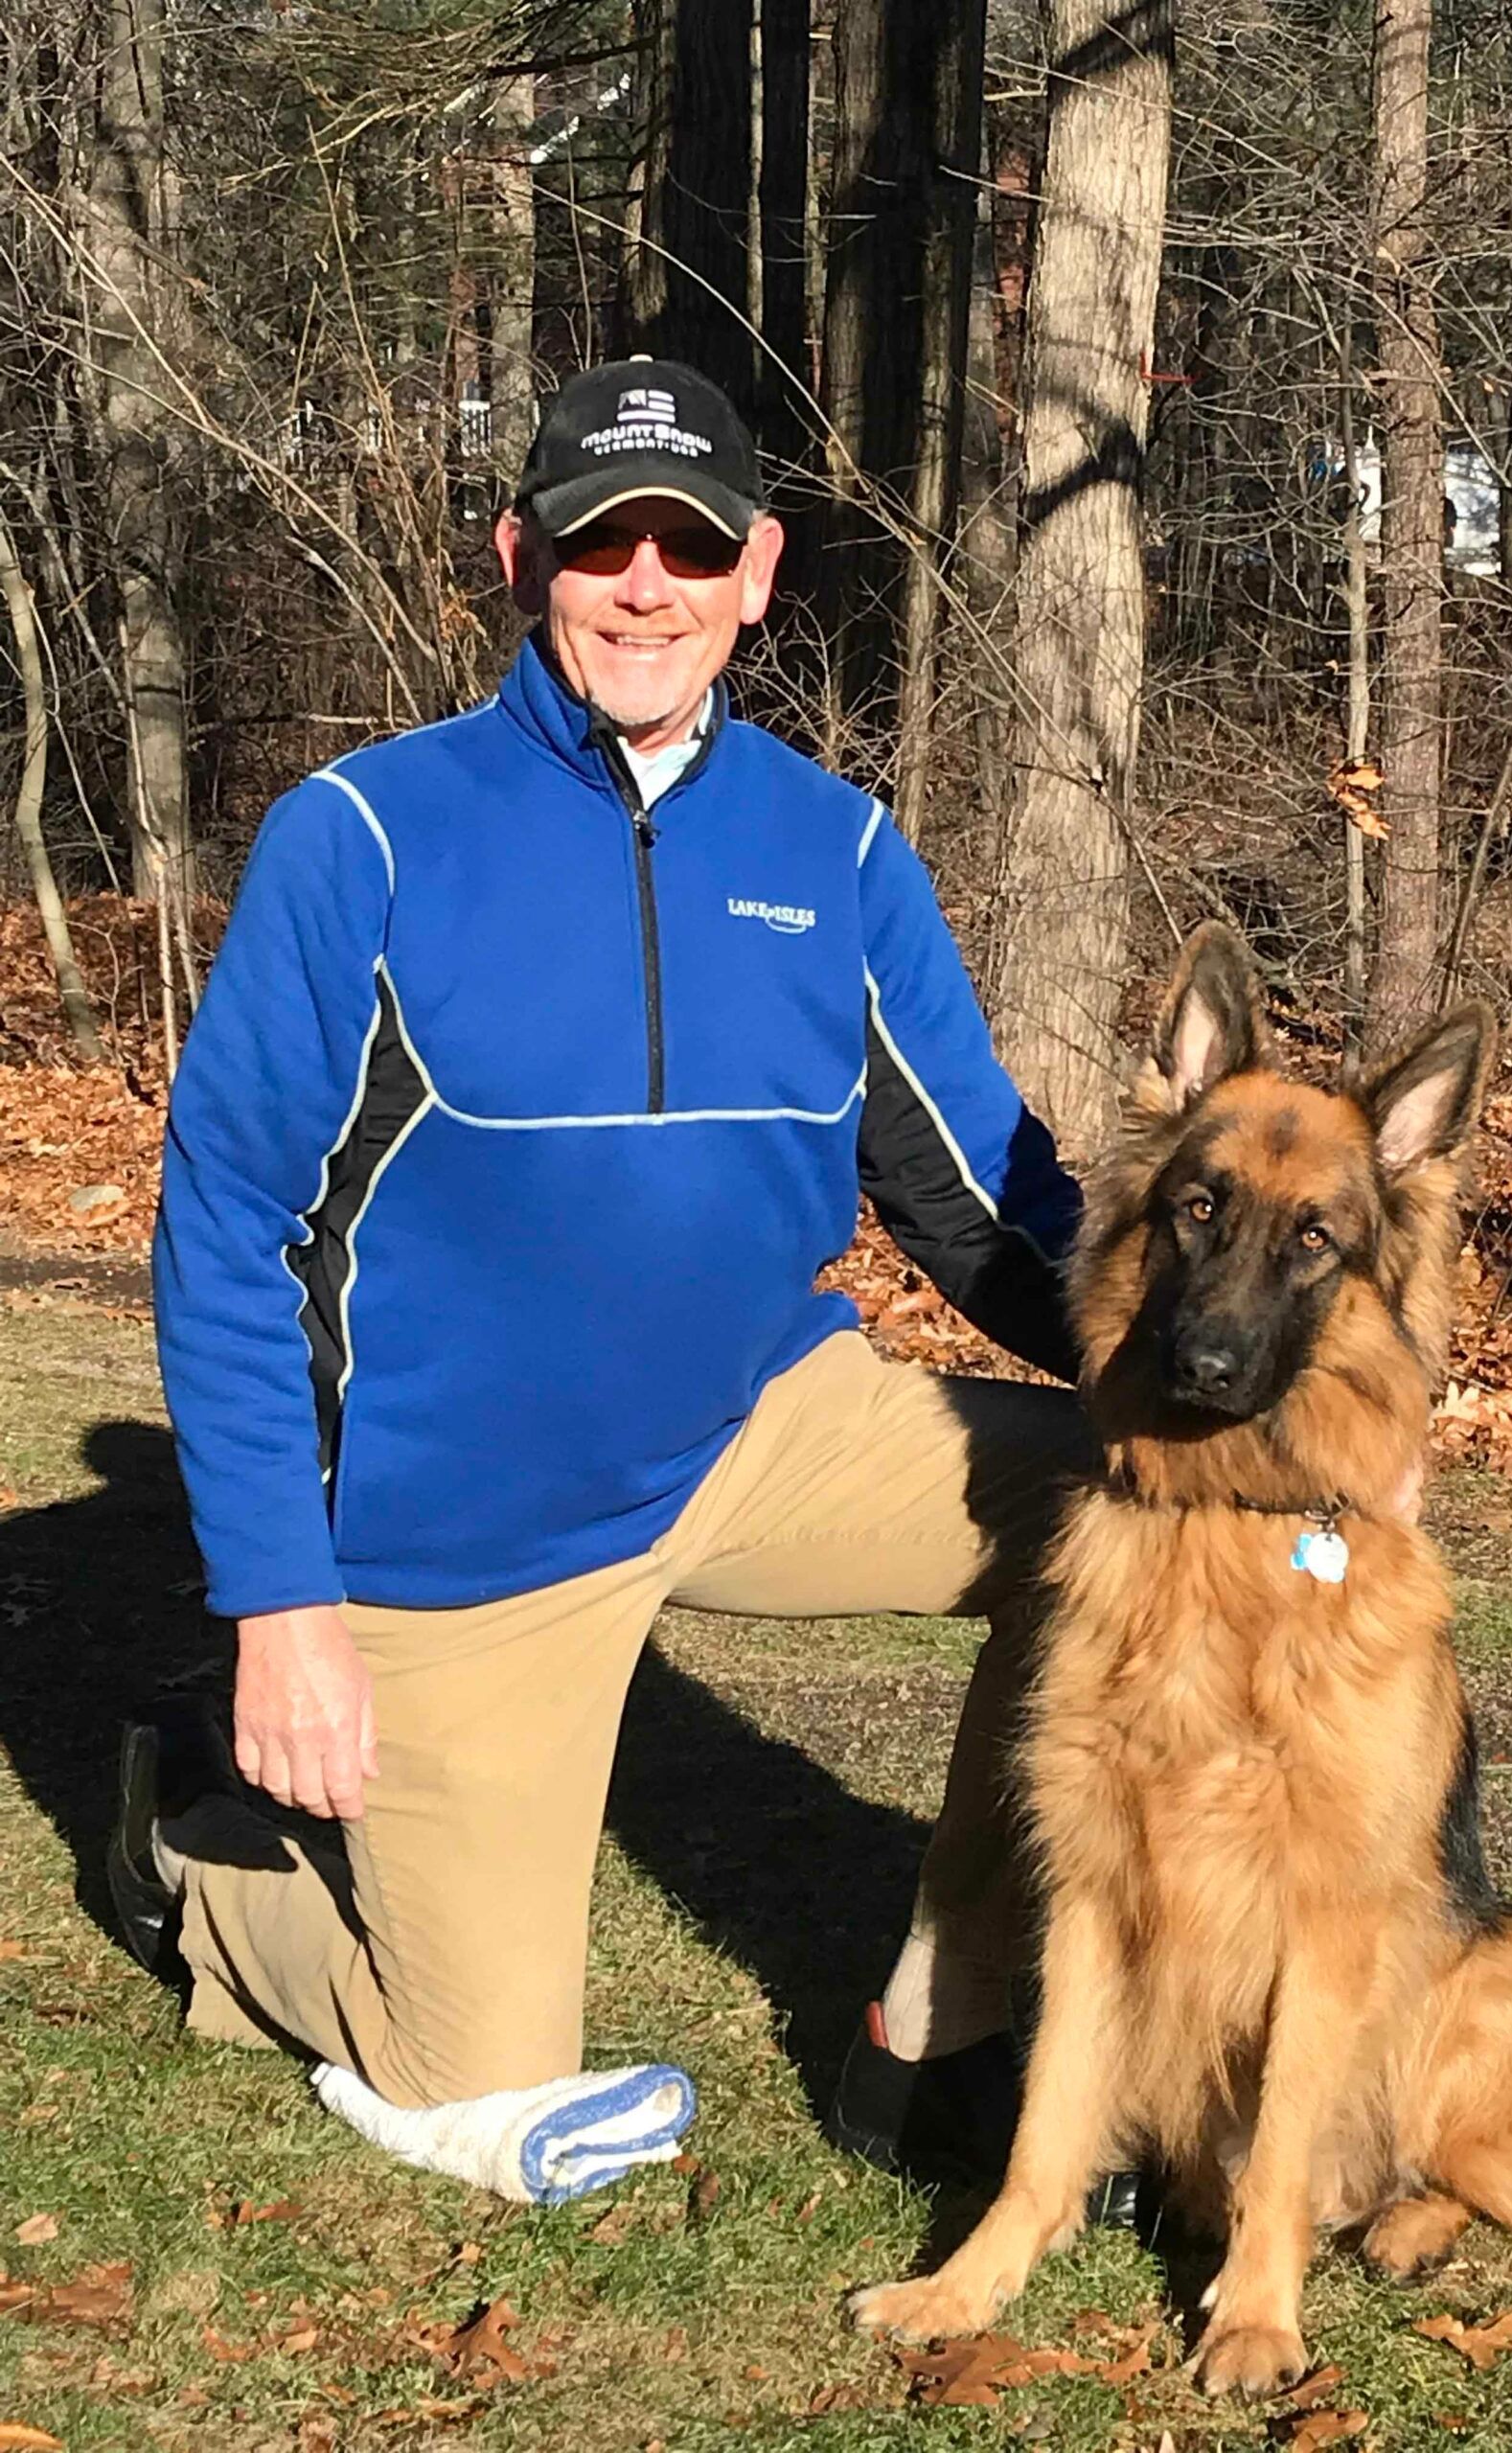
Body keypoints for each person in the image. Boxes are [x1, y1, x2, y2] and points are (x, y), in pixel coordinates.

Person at [112, 356, 1119, 2209]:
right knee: (469, 2079)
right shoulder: (365, 839)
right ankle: (199, 1854)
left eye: (689, 541)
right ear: (523, 563)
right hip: (463, 1539)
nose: (644, 582)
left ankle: (943, 2024)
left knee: (1123, 1512)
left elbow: (980, 1200)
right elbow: (226, 1229)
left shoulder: (841, 852)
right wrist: (278, 1606)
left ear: (757, 570)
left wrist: (1208, 1392)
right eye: (600, 542)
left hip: (763, 1428)